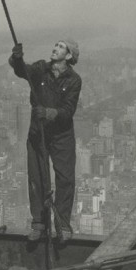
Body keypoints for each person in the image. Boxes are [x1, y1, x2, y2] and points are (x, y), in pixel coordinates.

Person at [9, 39, 82, 242]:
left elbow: (68, 111)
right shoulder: (41, 68)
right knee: (37, 177)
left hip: (61, 135)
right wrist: (17, 58)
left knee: (65, 179)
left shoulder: (74, 80)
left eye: (60, 47)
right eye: (55, 45)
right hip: (38, 133)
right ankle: (39, 223)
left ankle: (63, 225)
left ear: (68, 56)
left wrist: (48, 113)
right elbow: (23, 71)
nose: (54, 48)